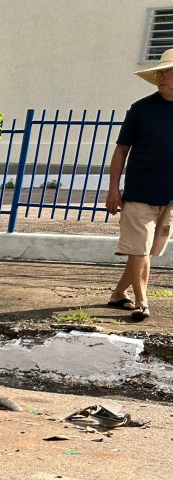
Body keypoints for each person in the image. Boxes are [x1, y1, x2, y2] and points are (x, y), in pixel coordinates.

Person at [106, 48, 173, 322]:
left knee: (143, 251)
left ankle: (118, 295)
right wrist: (113, 188)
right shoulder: (141, 110)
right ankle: (142, 302)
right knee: (140, 249)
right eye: (160, 72)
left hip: (169, 197)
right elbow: (121, 150)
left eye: (168, 72)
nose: (162, 77)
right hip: (139, 194)